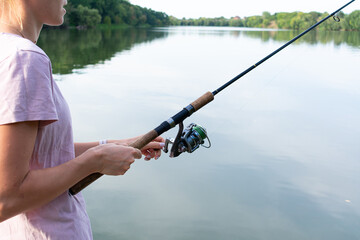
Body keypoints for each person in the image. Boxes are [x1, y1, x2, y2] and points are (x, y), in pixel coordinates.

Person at [0, 0, 165, 239]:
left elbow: (42, 154)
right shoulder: (25, 59)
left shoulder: (7, 51)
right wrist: (95, 161)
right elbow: (7, 197)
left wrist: (123, 144)